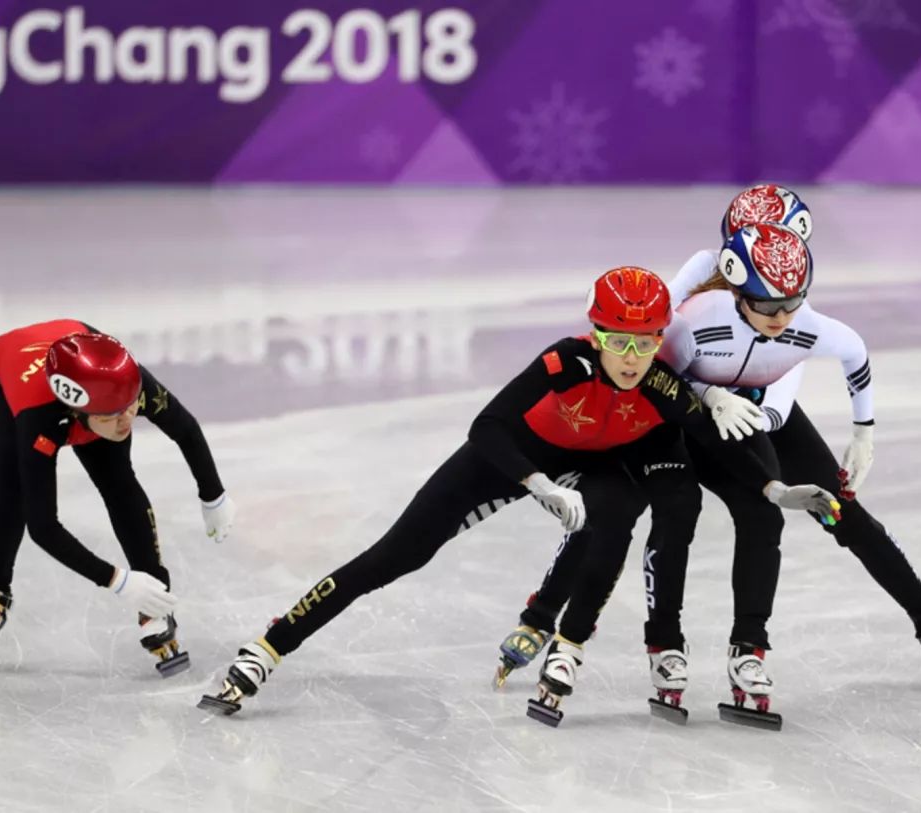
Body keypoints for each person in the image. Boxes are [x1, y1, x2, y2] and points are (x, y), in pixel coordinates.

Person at [198, 267, 839, 721]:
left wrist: (774, 488)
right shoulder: (566, 362)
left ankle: (567, 648)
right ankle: (268, 647)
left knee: (613, 515)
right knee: (396, 556)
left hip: (585, 467)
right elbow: (487, 426)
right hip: (513, 458)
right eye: (618, 341)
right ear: (595, 334)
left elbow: (717, 441)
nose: (632, 357)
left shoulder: (662, 385)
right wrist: (532, 482)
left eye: (645, 343)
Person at [498, 208, 921, 720]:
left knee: (836, 509)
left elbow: (783, 386)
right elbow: (654, 340)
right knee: (619, 507)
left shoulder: (791, 309)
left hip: (760, 412)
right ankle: (546, 617)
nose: (777, 299)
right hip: (684, 407)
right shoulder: (704, 282)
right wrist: (696, 392)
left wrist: (860, 434)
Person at [0, 319, 236, 675]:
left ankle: (156, 601)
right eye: (114, 415)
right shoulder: (41, 419)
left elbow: (185, 428)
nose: (127, 420)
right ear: (77, 412)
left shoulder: (126, 385)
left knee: (118, 480)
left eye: (130, 408)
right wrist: (117, 581)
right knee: (10, 482)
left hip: (92, 375)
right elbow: (43, 527)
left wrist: (213, 497)